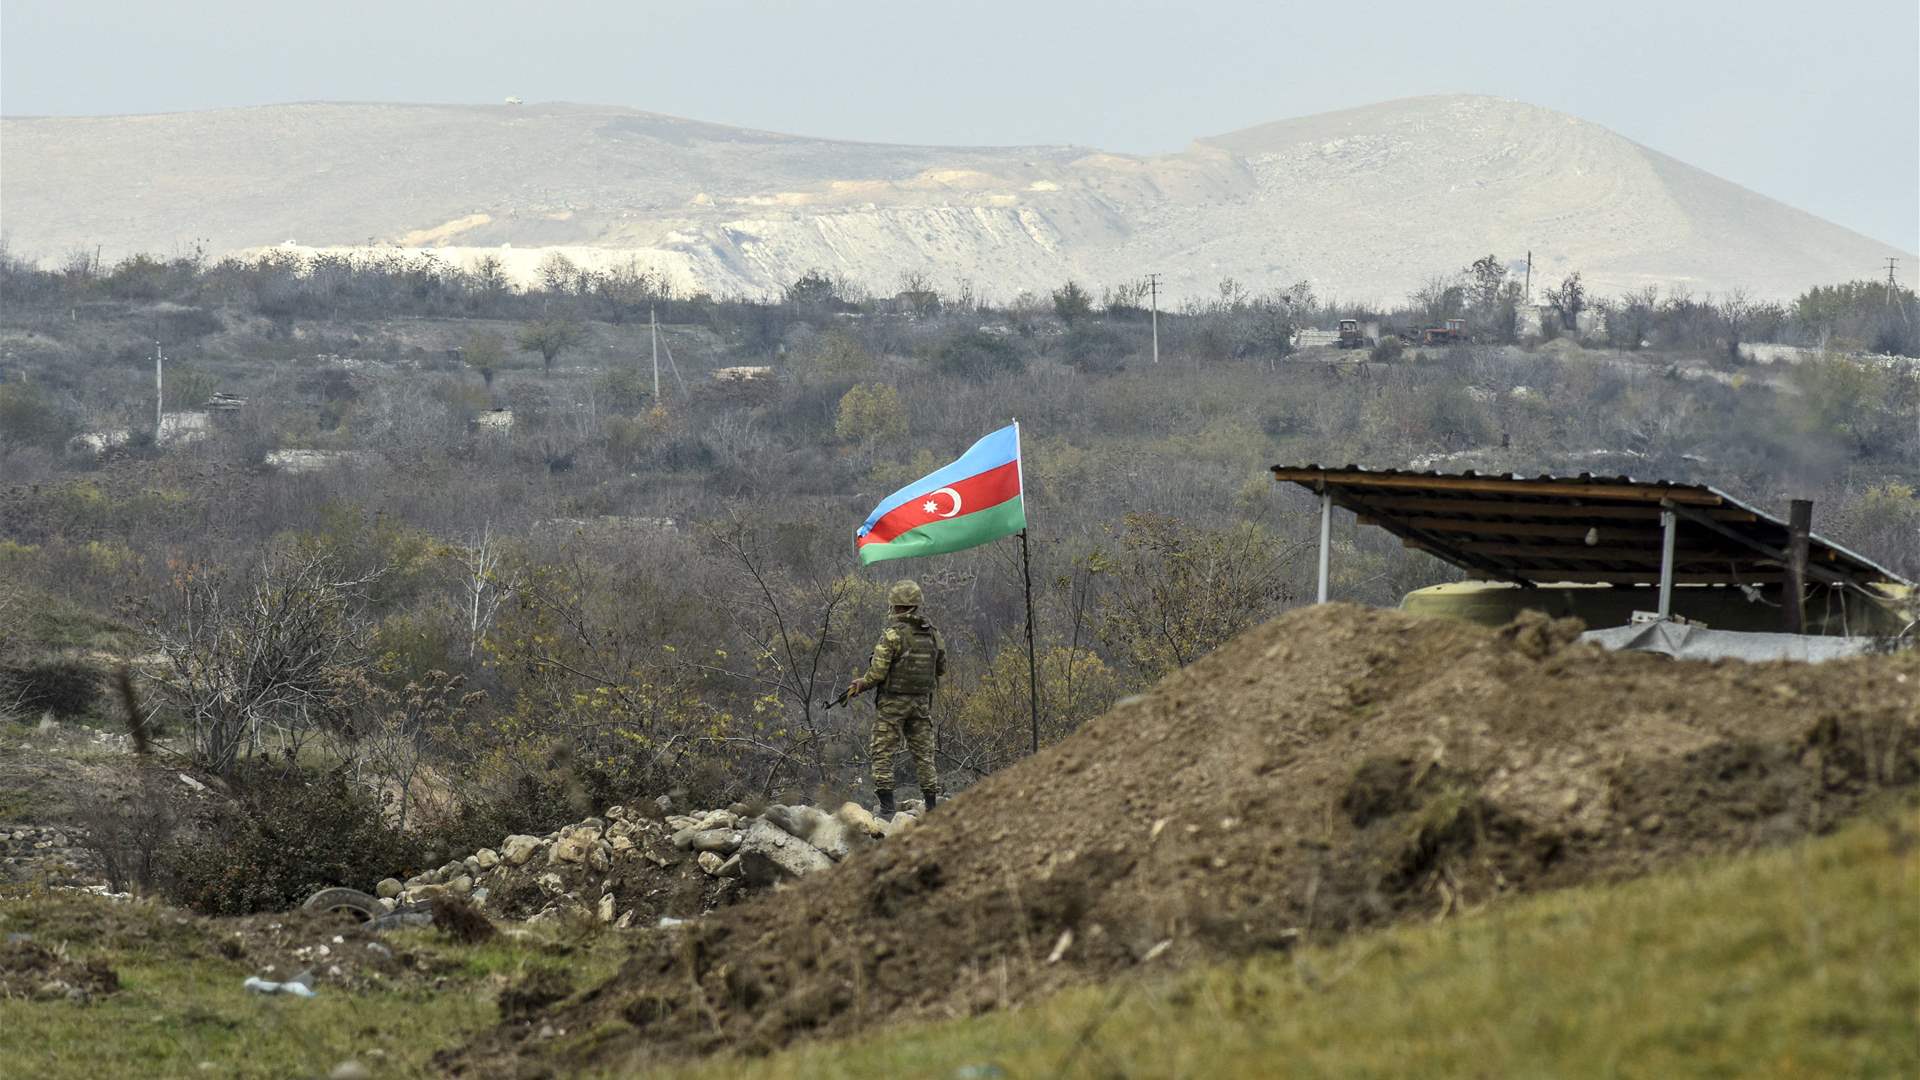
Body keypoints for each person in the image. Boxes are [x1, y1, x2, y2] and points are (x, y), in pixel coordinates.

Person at [846, 579, 946, 815]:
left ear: (897, 607)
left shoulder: (892, 635)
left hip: (892, 705)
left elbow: (878, 673)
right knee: (924, 755)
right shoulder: (933, 635)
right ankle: (932, 807)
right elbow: (941, 668)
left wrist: (862, 683)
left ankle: (887, 809)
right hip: (921, 703)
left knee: (882, 752)